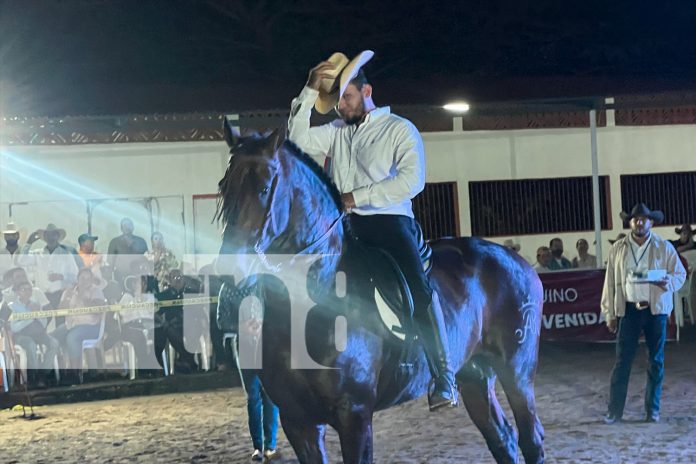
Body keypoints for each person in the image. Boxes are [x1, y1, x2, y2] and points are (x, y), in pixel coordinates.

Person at [287, 50, 458, 411]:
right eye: (336, 102)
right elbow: (296, 142)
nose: (339, 108)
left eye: (346, 99)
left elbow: (412, 181)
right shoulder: (335, 132)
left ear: (367, 92)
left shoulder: (399, 129)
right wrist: (307, 92)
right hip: (346, 226)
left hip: (390, 222)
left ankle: (444, 376)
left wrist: (356, 197)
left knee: (418, 288)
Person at [601, 202, 686, 424]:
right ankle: (614, 411)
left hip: (655, 310)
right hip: (628, 310)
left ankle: (652, 411)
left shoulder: (664, 246)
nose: (639, 222)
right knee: (622, 362)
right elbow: (609, 282)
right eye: (635, 219)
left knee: (655, 361)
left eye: (644, 219)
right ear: (630, 222)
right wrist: (609, 312)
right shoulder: (618, 248)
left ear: (651, 222)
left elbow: (680, 274)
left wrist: (667, 282)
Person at [5, 280, 60, 388]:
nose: (27, 292)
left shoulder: (35, 304)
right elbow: (13, 327)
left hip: (38, 333)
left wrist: (37, 313)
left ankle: (43, 374)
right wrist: (30, 317)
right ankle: (33, 377)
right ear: (18, 292)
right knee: (30, 345)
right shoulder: (12, 306)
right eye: (23, 290)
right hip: (21, 335)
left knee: (54, 343)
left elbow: (44, 323)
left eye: (29, 289)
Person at [17, 223, 79, 310]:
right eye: (48, 235)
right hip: (42, 297)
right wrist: (29, 243)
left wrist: (62, 277)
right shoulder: (37, 254)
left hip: (60, 296)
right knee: (43, 321)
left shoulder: (66, 255)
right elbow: (21, 261)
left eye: (53, 234)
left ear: (57, 236)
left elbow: (76, 276)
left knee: (59, 322)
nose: (51, 237)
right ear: (45, 238)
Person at [107, 218, 149, 288]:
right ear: (121, 228)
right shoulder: (114, 242)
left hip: (139, 276)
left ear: (133, 227)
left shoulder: (141, 241)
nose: (127, 227)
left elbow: (146, 259)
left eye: (129, 225)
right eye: (124, 225)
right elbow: (110, 261)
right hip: (120, 277)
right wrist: (111, 278)